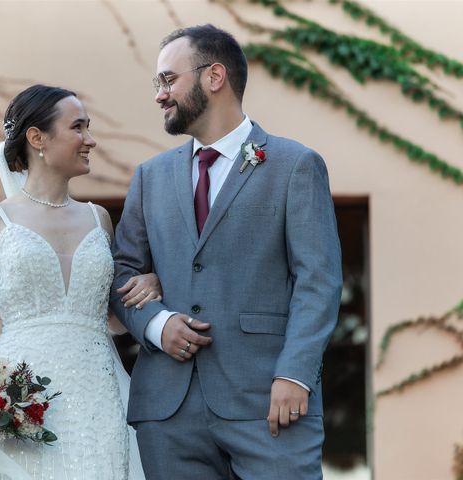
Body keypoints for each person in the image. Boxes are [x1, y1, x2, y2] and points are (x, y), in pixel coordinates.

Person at [110, 24, 342, 479]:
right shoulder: (149, 177)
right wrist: (157, 324)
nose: (159, 94)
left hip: (270, 403)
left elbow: (319, 280)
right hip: (169, 413)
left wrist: (294, 375)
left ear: (214, 77)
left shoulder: (295, 165)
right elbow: (121, 273)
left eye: (168, 79)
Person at [0, 84, 156, 479]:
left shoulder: (98, 218)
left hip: (98, 393)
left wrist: (149, 286)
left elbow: (112, 316)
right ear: (38, 139)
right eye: (78, 128)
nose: (91, 140)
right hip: (24, 397)